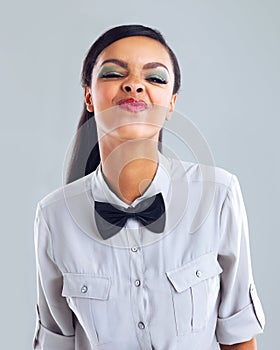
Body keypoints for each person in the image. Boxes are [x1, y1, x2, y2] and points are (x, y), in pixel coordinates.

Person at [33, 24, 265, 350]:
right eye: (114, 74)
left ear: (170, 103)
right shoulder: (53, 216)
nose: (134, 85)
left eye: (154, 78)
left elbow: (238, 337)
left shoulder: (219, 195)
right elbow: (56, 342)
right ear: (88, 96)